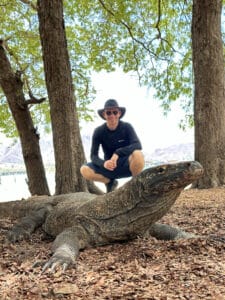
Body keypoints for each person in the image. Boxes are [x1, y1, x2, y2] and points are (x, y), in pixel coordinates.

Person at [80, 99, 145, 193]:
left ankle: (135, 184)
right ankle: (110, 182)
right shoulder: (98, 131)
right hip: (108, 167)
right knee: (84, 170)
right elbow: (93, 156)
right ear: (104, 114)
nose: (112, 115)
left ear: (119, 113)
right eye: (109, 113)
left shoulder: (127, 127)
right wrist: (104, 163)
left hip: (126, 165)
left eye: (115, 112)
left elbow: (137, 145)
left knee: (138, 154)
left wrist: (117, 153)